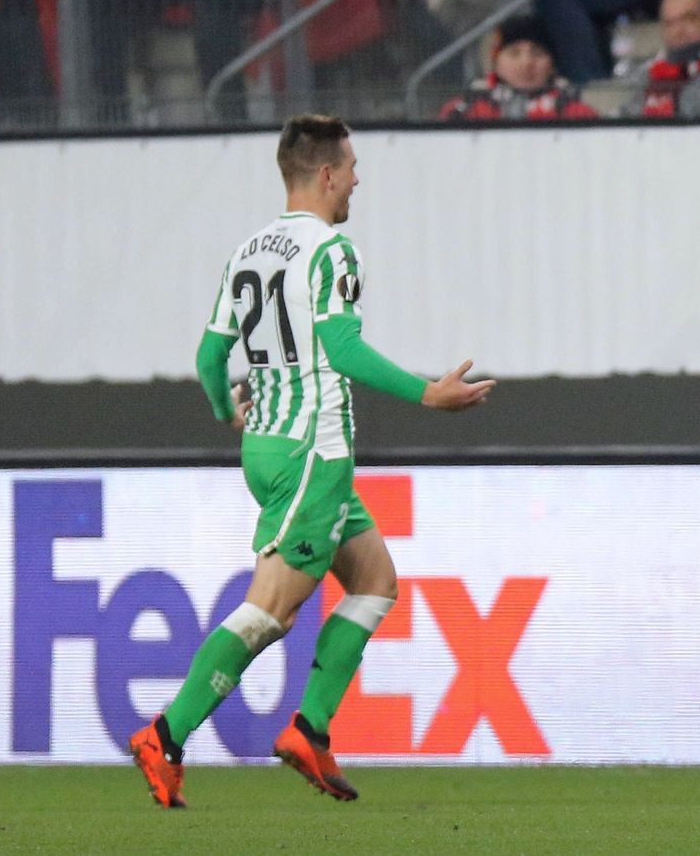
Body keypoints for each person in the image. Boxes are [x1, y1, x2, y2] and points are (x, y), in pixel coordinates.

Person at [129, 114, 495, 809]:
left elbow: (209, 358)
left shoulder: (248, 252)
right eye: (351, 166)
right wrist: (429, 394)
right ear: (326, 175)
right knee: (271, 611)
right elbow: (342, 348)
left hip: (268, 447)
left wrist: (226, 411)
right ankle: (166, 736)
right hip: (311, 455)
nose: (358, 178)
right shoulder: (332, 252)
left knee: (375, 582)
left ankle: (310, 731)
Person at [439, 15, 598, 120]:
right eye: (514, 53)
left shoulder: (577, 113)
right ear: (495, 63)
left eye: (537, 53)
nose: (527, 63)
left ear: (552, 66)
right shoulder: (463, 111)